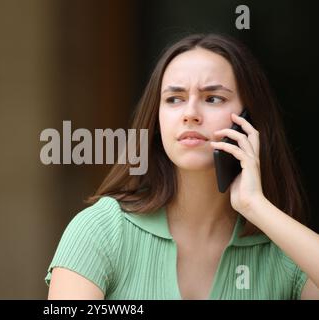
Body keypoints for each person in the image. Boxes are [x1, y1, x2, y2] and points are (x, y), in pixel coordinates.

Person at [44, 33, 319, 299]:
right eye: (174, 99)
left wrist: (255, 207)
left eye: (213, 98)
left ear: (249, 121)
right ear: (157, 119)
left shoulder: (283, 251)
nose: (190, 114)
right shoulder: (103, 231)